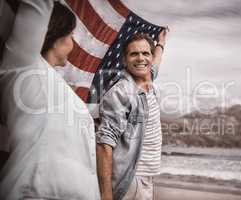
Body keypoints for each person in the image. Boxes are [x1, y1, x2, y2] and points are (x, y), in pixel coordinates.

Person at [0, 1, 100, 199]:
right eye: (71, 35)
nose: (73, 43)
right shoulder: (23, 66)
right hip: (34, 193)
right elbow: (38, 4)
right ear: (54, 34)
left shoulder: (56, 84)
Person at [96, 29, 168, 200]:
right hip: (131, 180)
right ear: (124, 60)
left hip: (147, 178)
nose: (141, 58)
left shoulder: (148, 78)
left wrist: (161, 44)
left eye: (145, 53)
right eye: (134, 54)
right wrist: (106, 196)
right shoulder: (121, 93)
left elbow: (155, 64)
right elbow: (104, 144)